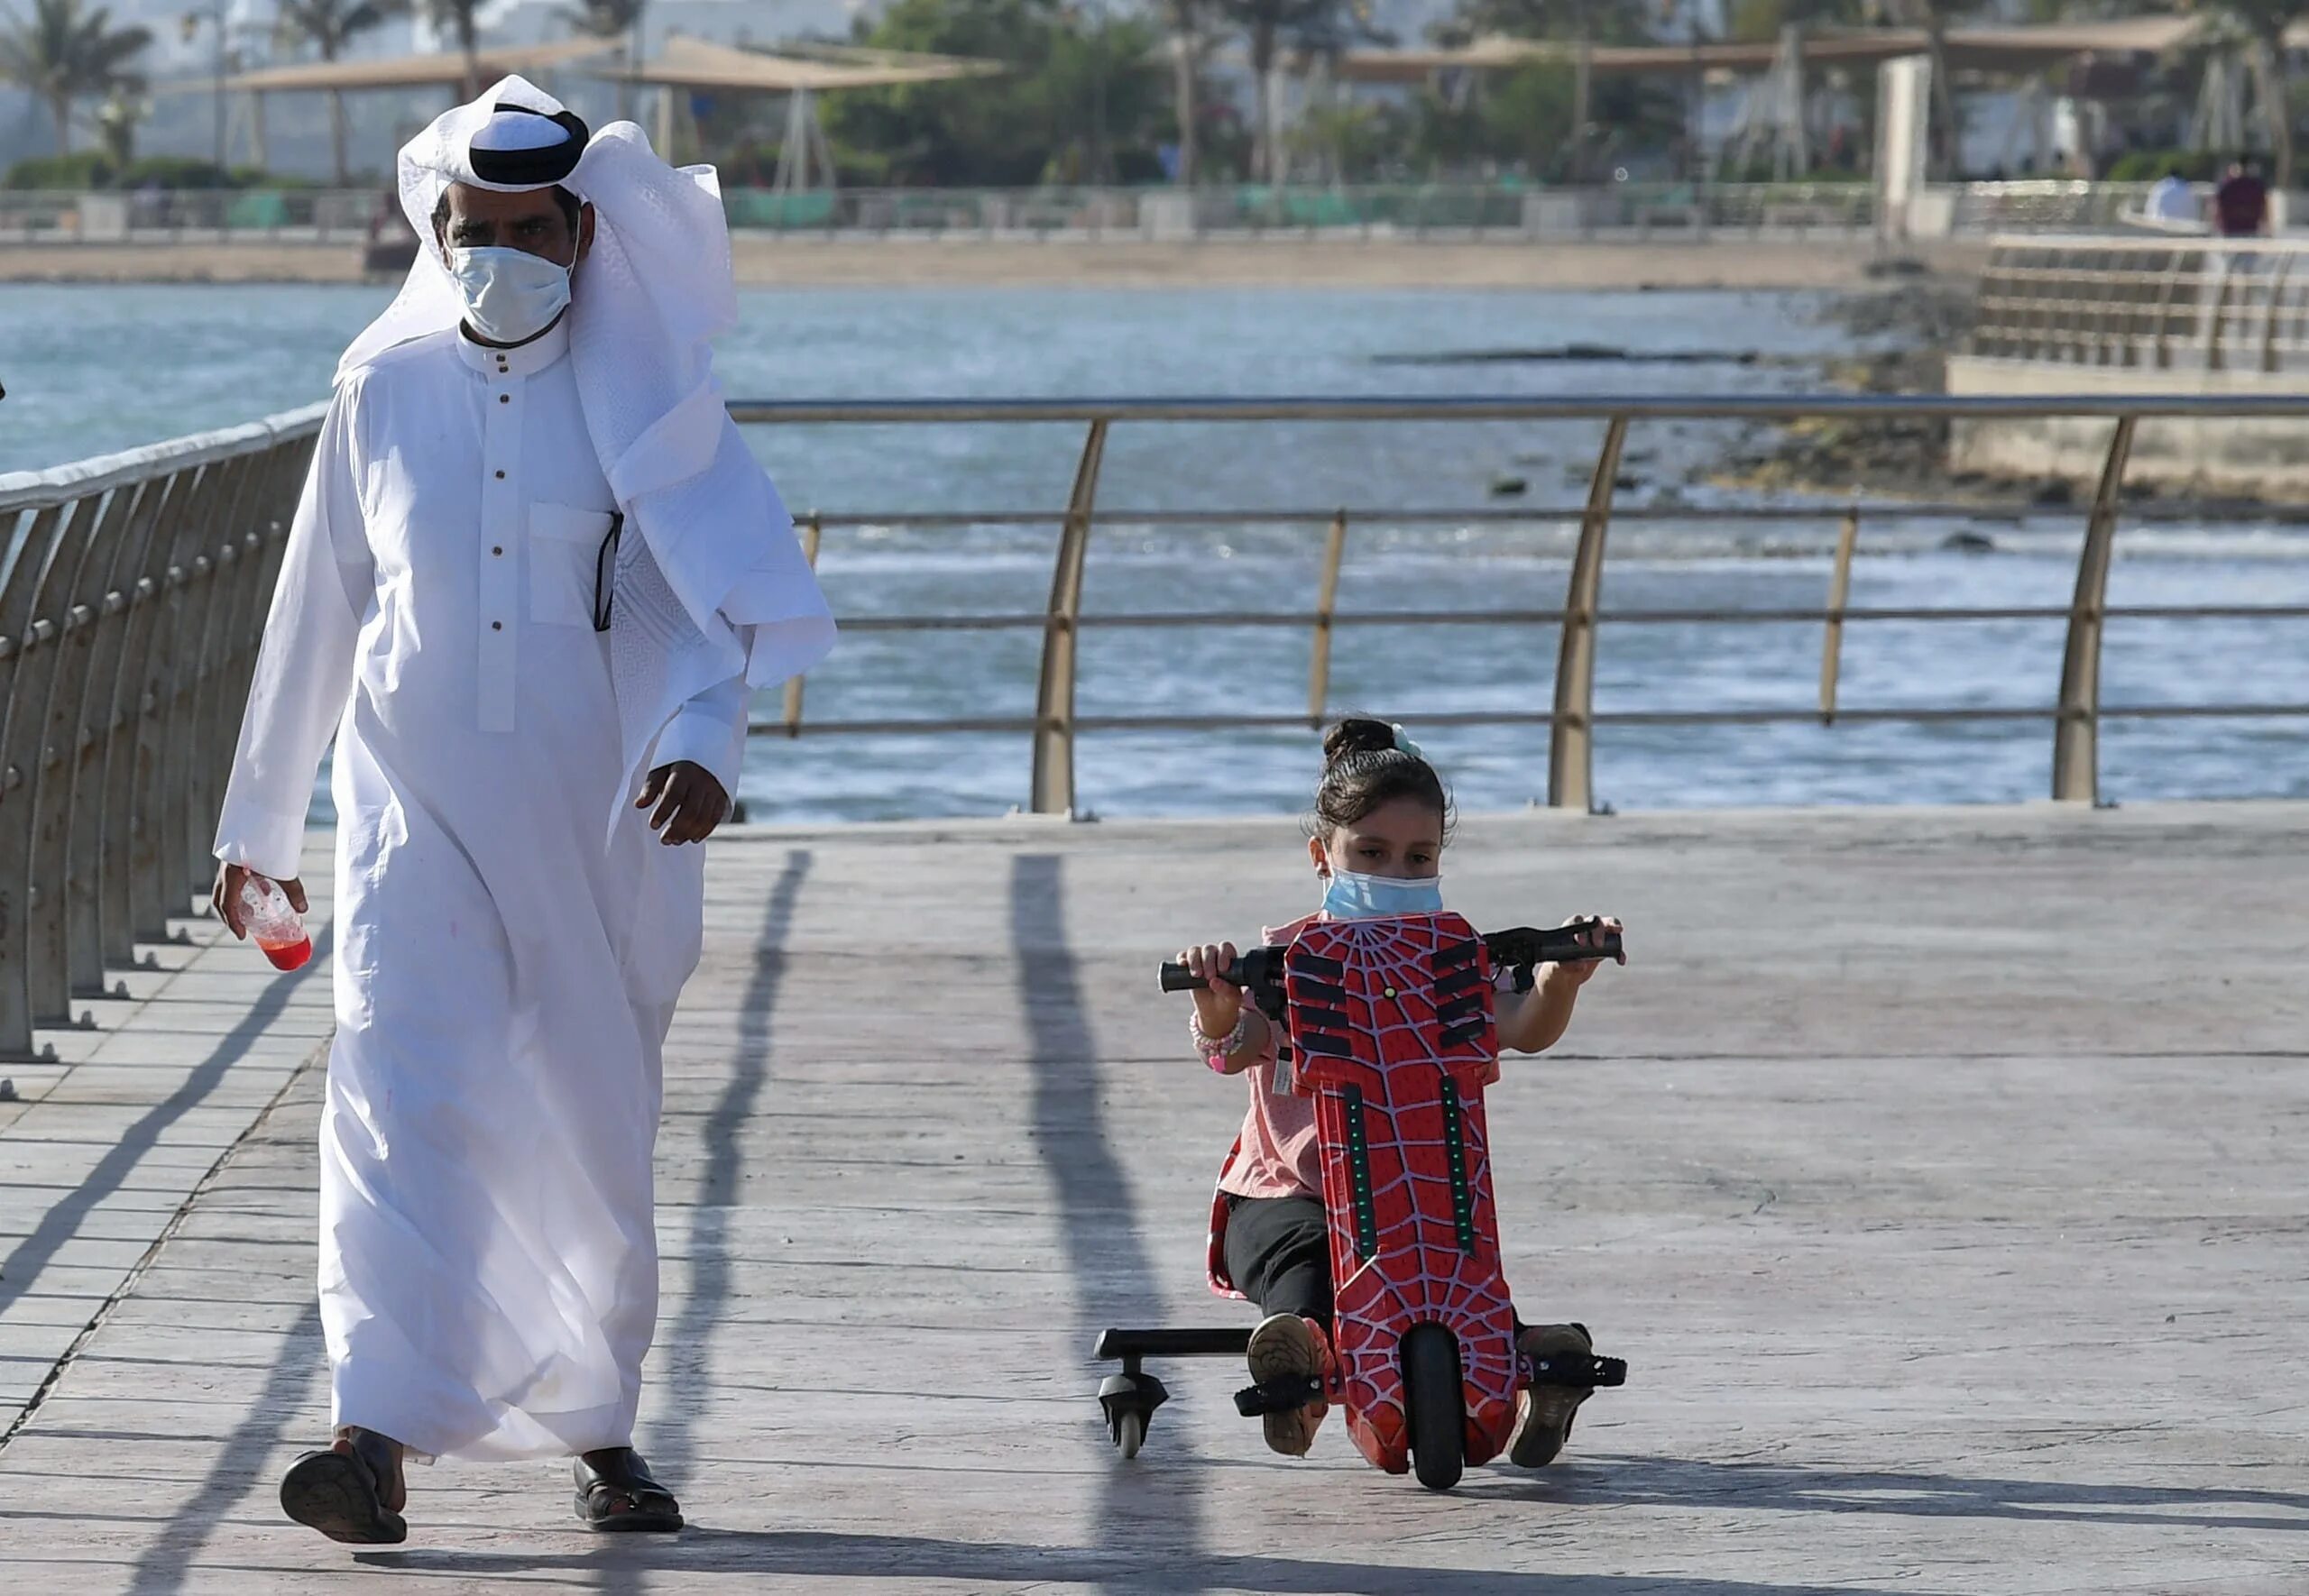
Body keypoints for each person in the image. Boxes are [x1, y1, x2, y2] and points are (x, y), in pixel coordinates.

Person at [210, 77, 834, 1544]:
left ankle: (603, 1432)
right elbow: (318, 615)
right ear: (439, 226)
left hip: (595, 827)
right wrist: (259, 833)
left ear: (582, 233)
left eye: (523, 230)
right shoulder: (383, 387)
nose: (493, 253)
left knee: (589, 1124)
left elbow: (705, 609)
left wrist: (704, 744)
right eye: (467, 228)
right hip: (407, 817)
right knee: (396, 1100)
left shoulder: (644, 401)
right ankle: (372, 1439)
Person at [1173, 718, 1624, 1462]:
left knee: (1455, 1271)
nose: (1397, 874)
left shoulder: (1455, 957)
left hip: (1416, 1193)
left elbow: (1522, 1024)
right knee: (1308, 1265)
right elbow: (1238, 1047)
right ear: (1324, 856)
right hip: (1292, 1191)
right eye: (1371, 854)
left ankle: (1534, 1357)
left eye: (1419, 859)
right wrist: (1218, 1001)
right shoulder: (1295, 960)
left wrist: (1558, 977)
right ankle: (1298, 1351)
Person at [2215, 157, 2269, 239]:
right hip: (2244, 231)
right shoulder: (2256, 186)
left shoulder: (2227, 187)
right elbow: (2264, 208)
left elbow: (2218, 209)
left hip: (2235, 231)